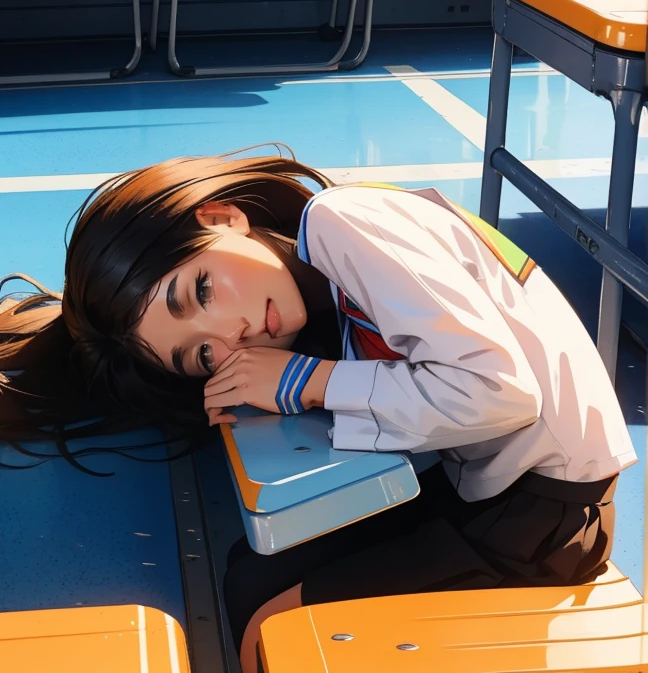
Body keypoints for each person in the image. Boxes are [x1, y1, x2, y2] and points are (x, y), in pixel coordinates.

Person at [0, 151, 636, 673]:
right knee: (251, 577)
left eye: (199, 289)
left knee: (274, 628)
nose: (233, 333)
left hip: (544, 517)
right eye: (200, 355)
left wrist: (309, 380)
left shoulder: (341, 221)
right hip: (487, 485)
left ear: (224, 217)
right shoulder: (325, 256)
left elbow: (501, 392)